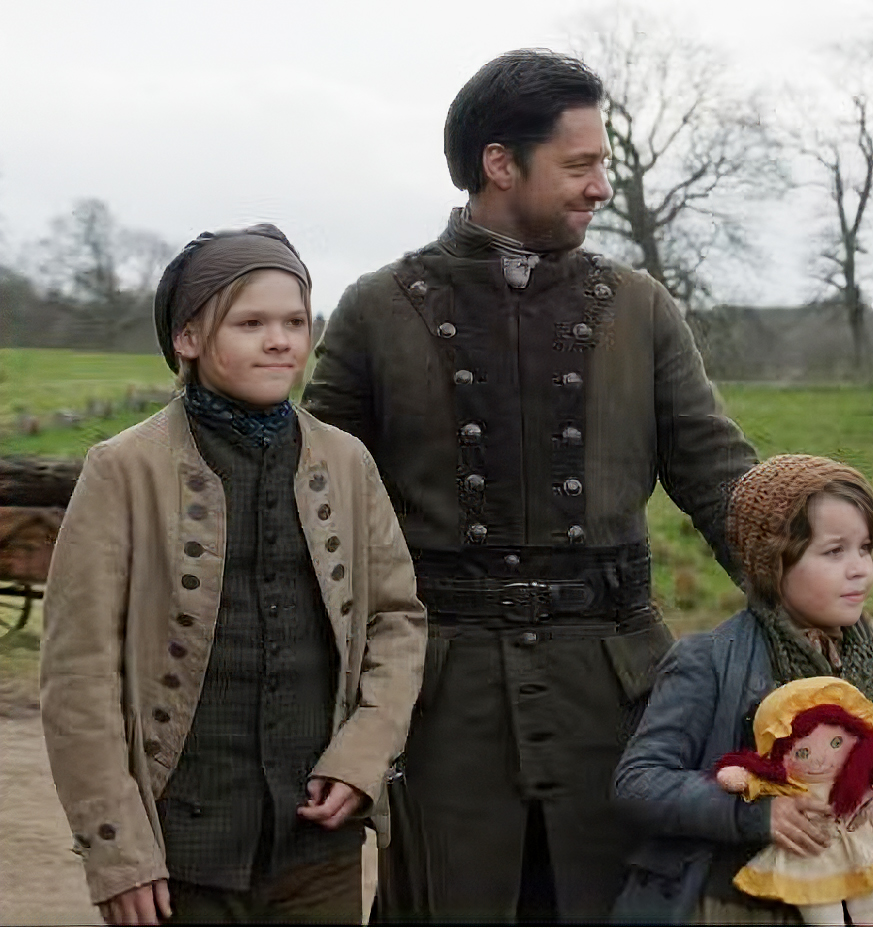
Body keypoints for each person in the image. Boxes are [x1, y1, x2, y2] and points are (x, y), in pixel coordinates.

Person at [300, 49, 761, 923]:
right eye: (579, 165)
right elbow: (319, 513)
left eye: (602, 165)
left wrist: (809, 594)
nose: (599, 188)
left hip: (617, 692)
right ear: (500, 163)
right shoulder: (376, 309)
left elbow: (717, 472)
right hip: (443, 700)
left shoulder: (640, 306)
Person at [39, 225, 427, 925]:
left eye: (294, 321)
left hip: (318, 847)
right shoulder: (123, 470)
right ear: (187, 338)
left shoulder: (346, 464)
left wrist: (363, 755)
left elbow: (396, 621)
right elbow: (77, 676)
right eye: (251, 323)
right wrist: (118, 851)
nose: (280, 340)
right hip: (180, 854)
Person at [611, 455, 873, 925]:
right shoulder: (708, 660)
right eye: (834, 552)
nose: (860, 569)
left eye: (865, 548)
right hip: (729, 907)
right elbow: (639, 782)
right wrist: (758, 814)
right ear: (773, 560)